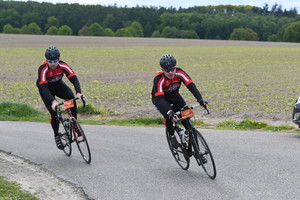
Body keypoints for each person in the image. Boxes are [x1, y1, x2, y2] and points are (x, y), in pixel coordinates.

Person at [152, 54, 208, 151]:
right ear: (162, 70)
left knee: (186, 118)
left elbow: (191, 86)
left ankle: (196, 149)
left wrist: (200, 100)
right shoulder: (158, 79)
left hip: (175, 97)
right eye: (167, 70)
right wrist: (169, 112)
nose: (170, 72)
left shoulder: (179, 72)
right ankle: (172, 136)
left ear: (175, 67)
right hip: (161, 100)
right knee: (170, 116)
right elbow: (160, 98)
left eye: (172, 69)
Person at [36, 46, 85, 150]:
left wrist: (79, 93)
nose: (53, 63)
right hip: (46, 90)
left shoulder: (63, 65)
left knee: (71, 98)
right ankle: (57, 136)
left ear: (58, 59)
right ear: (46, 60)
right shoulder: (43, 69)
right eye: (50, 61)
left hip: (58, 86)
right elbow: (44, 87)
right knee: (54, 114)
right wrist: (53, 101)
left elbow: (74, 79)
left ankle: (74, 125)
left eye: (55, 61)